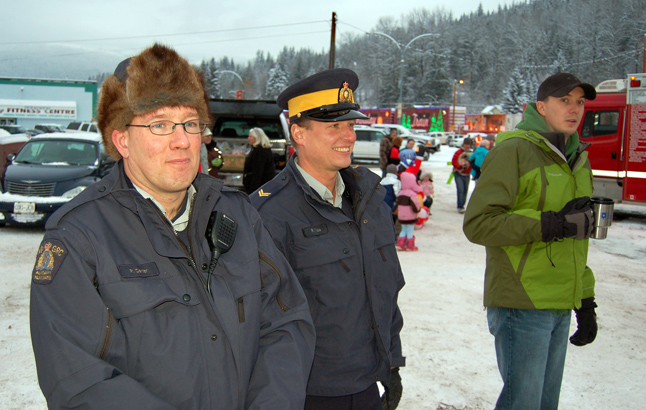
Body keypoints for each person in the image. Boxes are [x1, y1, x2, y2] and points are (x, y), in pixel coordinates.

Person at [29, 43, 316, 410]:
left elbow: (287, 322)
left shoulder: (238, 215)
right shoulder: (78, 237)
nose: (182, 141)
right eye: (160, 124)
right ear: (122, 140)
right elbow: (77, 382)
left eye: (190, 123)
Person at [250, 68, 406, 410]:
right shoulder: (268, 214)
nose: (348, 136)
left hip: (367, 383)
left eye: (350, 125)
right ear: (298, 133)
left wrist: (391, 362)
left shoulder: (368, 199)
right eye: (333, 126)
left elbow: (386, 289)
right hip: (308, 391)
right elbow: (259, 320)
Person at [463, 72, 599, 410]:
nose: (574, 109)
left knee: (544, 403)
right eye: (564, 101)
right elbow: (478, 224)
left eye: (579, 102)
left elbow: (576, 241)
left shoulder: (577, 157)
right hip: (521, 301)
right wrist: (551, 224)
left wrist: (585, 298)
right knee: (522, 403)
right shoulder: (514, 151)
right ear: (541, 106)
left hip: (559, 301)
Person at [242, 127, 276, 194]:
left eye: (250, 136)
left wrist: (253, 191)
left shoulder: (260, 151)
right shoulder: (258, 150)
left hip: (260, 189)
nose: (248, 138)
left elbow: (258, 172)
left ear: (256, 138)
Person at [395, 172, 422, 252]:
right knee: (410, 230)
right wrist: (418, 209)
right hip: (410, 216)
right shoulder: (412, 194)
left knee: (403, 229)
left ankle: (400, 244)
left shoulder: (400, 193)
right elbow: (416, 204)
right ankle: (410, 245)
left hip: (401, 216)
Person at [451, 137, 473, 213]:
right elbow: (454, 161)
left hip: (467, 174)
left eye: (468, 144)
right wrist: (459, 166)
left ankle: (463, 204)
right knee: (460, 189)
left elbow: (473, 162)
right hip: (458, 173)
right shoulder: (458, 152)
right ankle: (460, 206)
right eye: (466, 144)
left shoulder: (471, 153)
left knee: (465, 190)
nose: (467, 146)